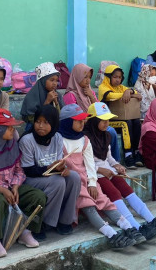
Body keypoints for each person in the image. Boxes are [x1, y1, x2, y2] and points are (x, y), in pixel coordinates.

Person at [59, 104, 144, 249]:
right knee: (88, 204)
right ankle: (111, 234)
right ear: (67, 122)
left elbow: (90, 163)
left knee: (103, 200)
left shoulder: (84, 139)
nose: (82, 123)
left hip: (87, 177)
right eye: (78, 120)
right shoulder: (59, 140)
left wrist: (92, 182)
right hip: (73, 180)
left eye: (83, 120)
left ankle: (128, 227)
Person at [85, 102, 156, 236]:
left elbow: (109, 158)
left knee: (126, 189)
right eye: (103, 120)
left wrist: (117, 165)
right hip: (95, 174)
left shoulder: (106, 135)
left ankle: (152, 219)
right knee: (114, 193)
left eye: (108, 119)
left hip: (108, 170)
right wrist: (101, 170)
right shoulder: (86, 139)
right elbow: (84, 163)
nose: (106, 123)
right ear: (93, 121)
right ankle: (137, 227)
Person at [0, 108, 45, 258]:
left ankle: (24, 230)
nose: (13, 130)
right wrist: (2, 190)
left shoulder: (12, 143)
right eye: (8, 127)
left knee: (38, 196)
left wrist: (16, 187)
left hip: (12, 186)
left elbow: (19, 170)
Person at [18, 105, 81, 239]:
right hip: (29, 179)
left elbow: (58, 161)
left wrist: (62, 169)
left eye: (46, 122)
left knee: (74, 177)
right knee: (57, 182)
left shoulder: (57, 137)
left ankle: (64, 220)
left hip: (49, 176)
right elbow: (28, 170)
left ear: (54, 123)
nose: (41, 126)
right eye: (38, 121)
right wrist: (49, 169)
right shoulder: (27, 140)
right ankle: (41, 223)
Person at [63, 63, 120, 161]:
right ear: (77, 76)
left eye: (89, 77)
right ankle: (99, 161)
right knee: (109, 131)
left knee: (112, 132)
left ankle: (115, 161)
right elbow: (73, 116)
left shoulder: (90, 92)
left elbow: (100, 110)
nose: (88, 80)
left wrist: (91, 97)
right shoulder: (70, 95)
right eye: (85, 77)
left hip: (95, 122)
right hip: (83, 124)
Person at [98, 65, 143, 169]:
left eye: (119, 77)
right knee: (125, 124)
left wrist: (129, 91)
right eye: (115, 77)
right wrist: (127, 94)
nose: (118, 80)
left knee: (136, 121)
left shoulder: (121, 88)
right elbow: (111, 96)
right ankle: (128, 155)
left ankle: (136, 152)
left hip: (120, 117)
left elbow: (137, 93)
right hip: (108, 121)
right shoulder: (103, 87)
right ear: (108, 77)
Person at [20, 62, 64, 133]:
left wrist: (56, 102)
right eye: (52, 80)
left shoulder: (57, 94)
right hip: (36, 129)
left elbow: (61, 116)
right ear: (43, 80)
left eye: (56, 80)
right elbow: (31, 119)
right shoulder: (32, 95)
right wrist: (47, 101)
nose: (55, 83)